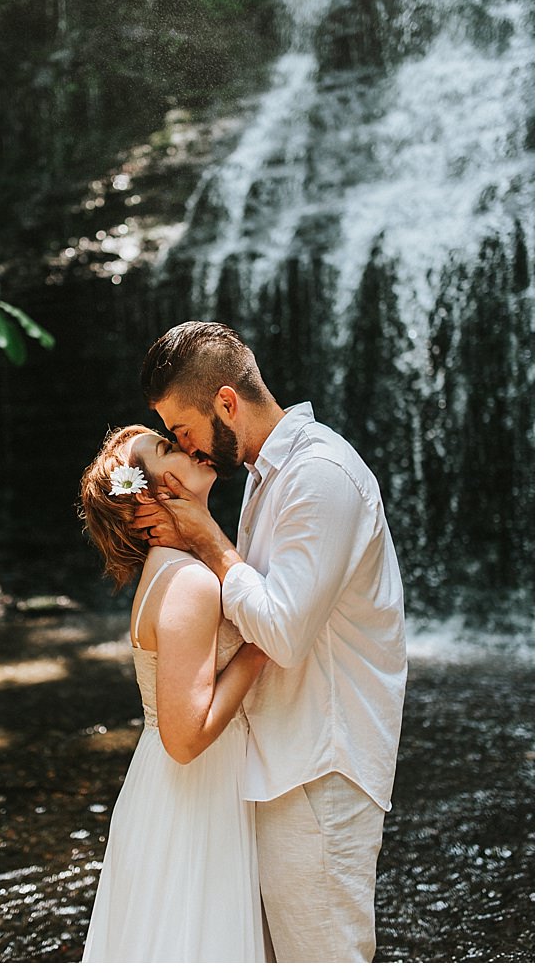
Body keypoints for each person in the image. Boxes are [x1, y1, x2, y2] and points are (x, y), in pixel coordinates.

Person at [133, 321, 408, 963]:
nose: (187, 449)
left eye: (184, 430)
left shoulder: (321, 476)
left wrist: (206, 539)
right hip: (280, 760)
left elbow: (281, 631)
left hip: (320, 762)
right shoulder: (265, 473)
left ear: (226, 403)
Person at [77, 423, 268, 962]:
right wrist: (261, 648)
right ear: (148, 499)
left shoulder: (172, 572)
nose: (188, 446)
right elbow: (184, 740)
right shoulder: (189, 582)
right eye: (167, 450)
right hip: (192, 793)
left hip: (168, 790)